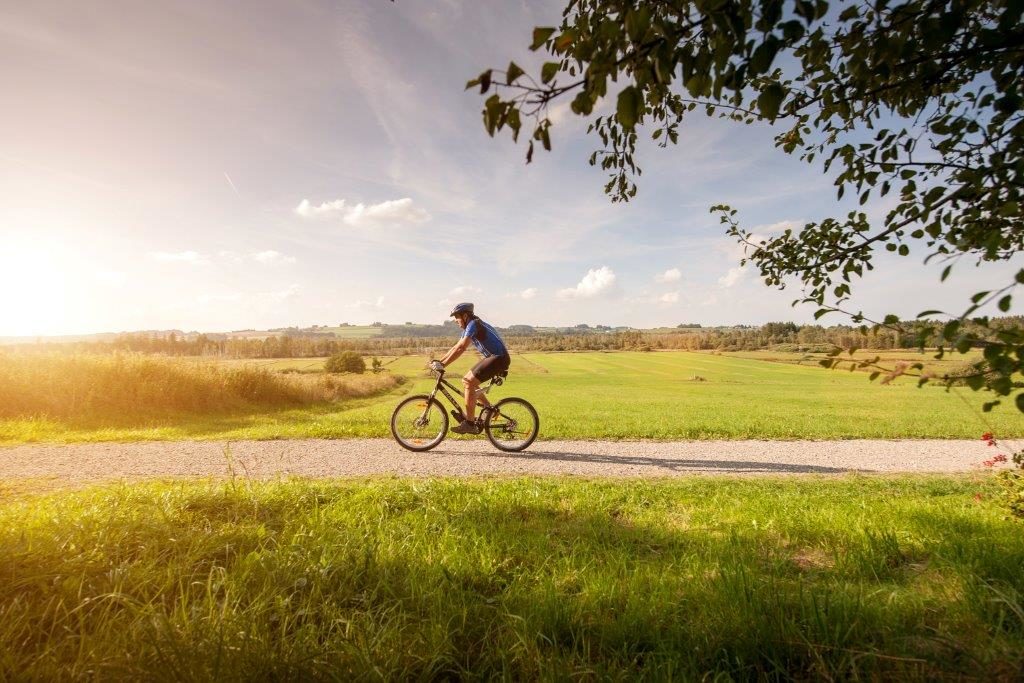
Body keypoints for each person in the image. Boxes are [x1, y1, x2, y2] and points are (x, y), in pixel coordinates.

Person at [436, 302, 510, 434]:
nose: (455, 321)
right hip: (494, 357)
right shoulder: (470, 326)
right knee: (467, 381)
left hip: (499, 358)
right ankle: (489, 409)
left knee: (469, 382)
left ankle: (469, 423)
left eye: (457, 317)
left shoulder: (473, 324)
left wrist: (443, 365)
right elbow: (455, 347)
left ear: (465, 316)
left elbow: (461, 348)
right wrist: (439, 362)